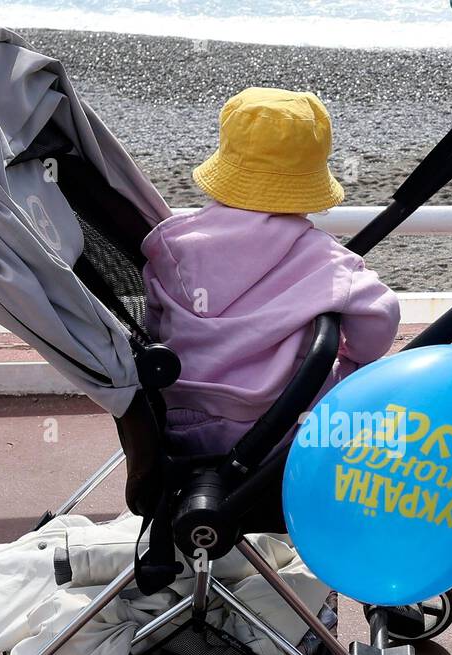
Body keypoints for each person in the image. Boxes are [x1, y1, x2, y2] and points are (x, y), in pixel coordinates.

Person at [141, 87, 400, 458]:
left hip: (178, 422)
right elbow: (381, 315)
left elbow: (155, 320)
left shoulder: (175, 245)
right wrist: (352, 354)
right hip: (278, 431)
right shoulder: (323, 259)